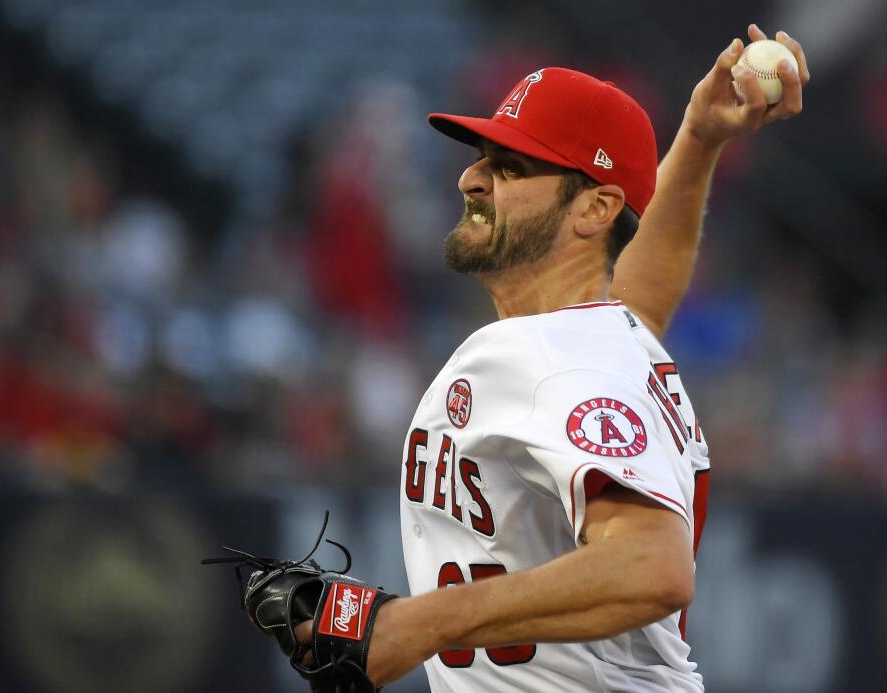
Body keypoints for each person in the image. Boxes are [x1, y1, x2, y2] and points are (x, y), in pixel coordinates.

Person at [296, 25, 809, 691]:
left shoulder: (554, 360)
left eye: (509, 167)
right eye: (483, 156)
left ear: (595, 208)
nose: (471, 178)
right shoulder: (602, 335)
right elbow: (642, 291)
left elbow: (655, 567)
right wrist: (699, 137)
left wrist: (426, 621)